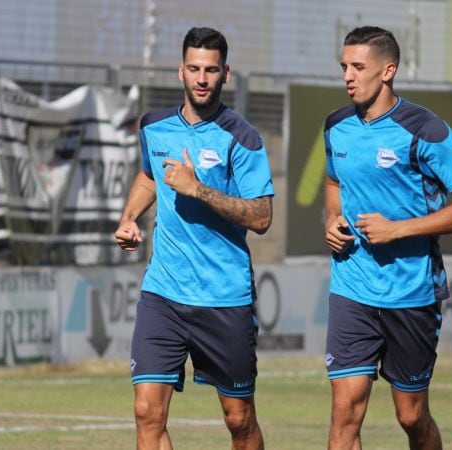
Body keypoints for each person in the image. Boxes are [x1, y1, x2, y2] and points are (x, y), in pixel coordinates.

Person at [323, 26, 452, 450]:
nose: (348, 76)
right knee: (345, 412)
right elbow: (333, 181)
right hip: (352, 288)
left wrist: (398, 229)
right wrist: (332, 219)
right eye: (344, 67)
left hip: (411, 292)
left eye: (358, 67)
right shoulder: (336, 126)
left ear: (388, 70)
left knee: (411, 416)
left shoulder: (425, 129)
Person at [115, 26, 272, 450]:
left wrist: (197, 188)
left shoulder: (243, 137)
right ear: (180, 71)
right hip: (163, 292)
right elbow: (149, 176)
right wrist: (130, 218)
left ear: (226, 74)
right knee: (148, 412)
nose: (202, 78)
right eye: (194, 69)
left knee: (239, 421)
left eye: (211, 70)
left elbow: (261, 217)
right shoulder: (154, 126)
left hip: (223, 297)